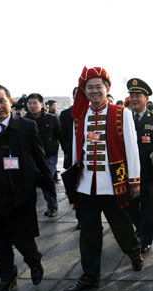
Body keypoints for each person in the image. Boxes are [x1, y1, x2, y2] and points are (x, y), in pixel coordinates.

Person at [63, 67, 143, 291]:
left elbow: (132, 148)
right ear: (84, 91)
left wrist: (134, 180)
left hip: (112, 183)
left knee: (121, 225)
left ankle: (134, 252)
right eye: (90, 87)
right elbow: (75, 150)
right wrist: (73, 180)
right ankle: (89, 276)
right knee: (89, 231)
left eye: (99, 86)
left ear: (107, 88)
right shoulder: (80, 116)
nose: (95, 90)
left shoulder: (121, 113)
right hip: (86, 184)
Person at [0, 84, 55, 291]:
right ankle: (7, 277)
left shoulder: (27, 126)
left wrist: (50, 188)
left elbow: (40, 158)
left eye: (2, 101)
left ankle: (34, 262)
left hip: (20, 195)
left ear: (10, 102)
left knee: (23, 239)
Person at [127, 78, 153, 253]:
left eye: (138, 95)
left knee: (148, 206)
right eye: (131, 95)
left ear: (146, 99)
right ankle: (140, 229)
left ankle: (146, 239)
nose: (134, 99)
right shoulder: (123, 118)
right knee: (130, 206)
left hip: (148, 171)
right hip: (126, 172)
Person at [25, 93, 64, 218]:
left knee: (47, 179)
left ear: (41, 105)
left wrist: (67, 152)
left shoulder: (52, 118)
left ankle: (52, 207)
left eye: (34, 103)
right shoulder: (24, 121)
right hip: (32, 156)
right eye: (29, 103)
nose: (32, 106)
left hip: (49, 155)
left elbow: (60, 135)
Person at [59, 87, 81, 230]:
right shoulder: (66, 114)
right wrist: (68, 152)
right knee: (75, 189)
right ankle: (81, 218)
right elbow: (63, 135)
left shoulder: (90, 113)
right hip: (72, 157)